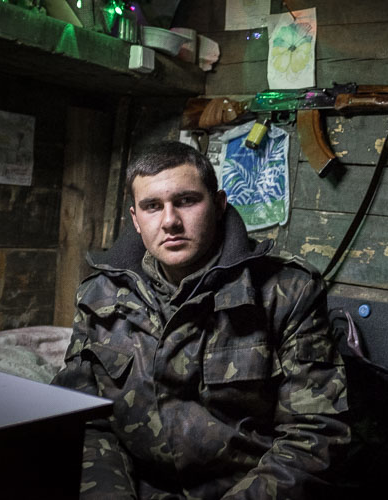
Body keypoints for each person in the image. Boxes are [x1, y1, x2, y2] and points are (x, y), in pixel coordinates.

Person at [52, 141, 350, 499]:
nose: (170, 221)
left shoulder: (286, 292)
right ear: (135, 219)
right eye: (152, 206)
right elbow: (83, 420)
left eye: (187, 200)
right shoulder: (98, 296)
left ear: (220, 205)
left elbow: (314, 432)